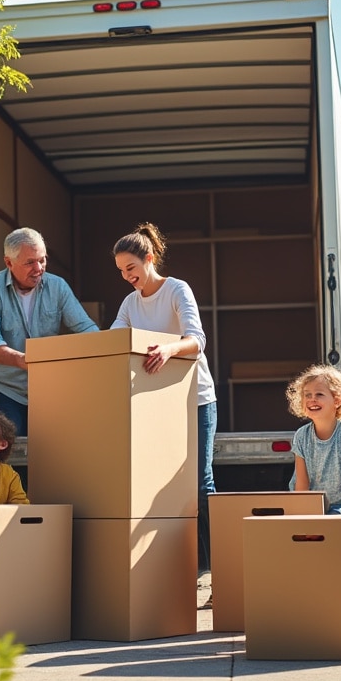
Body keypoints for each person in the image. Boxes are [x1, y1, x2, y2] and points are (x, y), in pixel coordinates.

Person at [109, 222, 218, 580]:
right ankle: (177, 571)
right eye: (121, 271)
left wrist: (169, 349)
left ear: (149, 259)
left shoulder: (176, 290)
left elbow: (197, 340)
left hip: (194, 400)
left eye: (131, 268)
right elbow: (113, 341)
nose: (127, 276)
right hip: (155, 407)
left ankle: (218, 570)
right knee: (160, 487)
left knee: (199, 484)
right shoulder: (130, 303)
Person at [0, 227, 99, 435]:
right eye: (30, 262)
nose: (39, 268)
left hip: (48, 386)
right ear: (9, 263)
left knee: (49, 442)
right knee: (13, 440)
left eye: (42, 260)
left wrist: (107, 353)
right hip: (5, 387)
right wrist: (24, 360)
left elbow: (85, 328)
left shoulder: (58, 286)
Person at [285, 365, 341, 515]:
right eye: (307, 395)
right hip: (310, 504)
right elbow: (302, 482)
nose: (312, 399)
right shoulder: (301, 436)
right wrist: (301, 515)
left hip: (340, 506)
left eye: (319, 394)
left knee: (332, 523)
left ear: (337, 401)